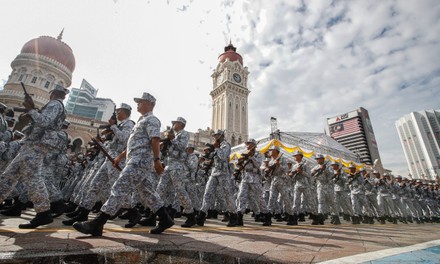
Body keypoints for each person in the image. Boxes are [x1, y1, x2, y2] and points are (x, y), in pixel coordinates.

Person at [73, 92, 173, 236]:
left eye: (141, 101)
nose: (138, 104)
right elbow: (133, 144)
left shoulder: (152, 120)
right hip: (135, 159)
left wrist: (157, 160)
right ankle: (165, 219)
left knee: (119, 187)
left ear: (150, 104)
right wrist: (119, 157)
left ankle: (98, 223)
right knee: (147, 192)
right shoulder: (141, 121)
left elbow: (155, 140)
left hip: (140, 161)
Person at [0, 85, 68, 228]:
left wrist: (31, 109)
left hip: (37, 145)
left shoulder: (55, 104)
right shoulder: (57, 106)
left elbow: (44, 121)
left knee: (33, 178)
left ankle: (43, 213)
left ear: (53, 93)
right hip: (32, 144)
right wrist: (32, 112)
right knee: (9, 175)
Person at [196, 130, 238, 227]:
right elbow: (210, 156)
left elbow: (223, 156)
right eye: (214, 136)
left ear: (221, 136)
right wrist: (207, 152)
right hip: (214, 172)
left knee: (227, 194)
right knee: (207, 193)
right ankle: (201, 216)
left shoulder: (226, 145)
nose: (215, 137)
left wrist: (216, 148)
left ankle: (233, 216)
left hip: (223, 173)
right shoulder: (216, 146)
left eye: (217, 136)